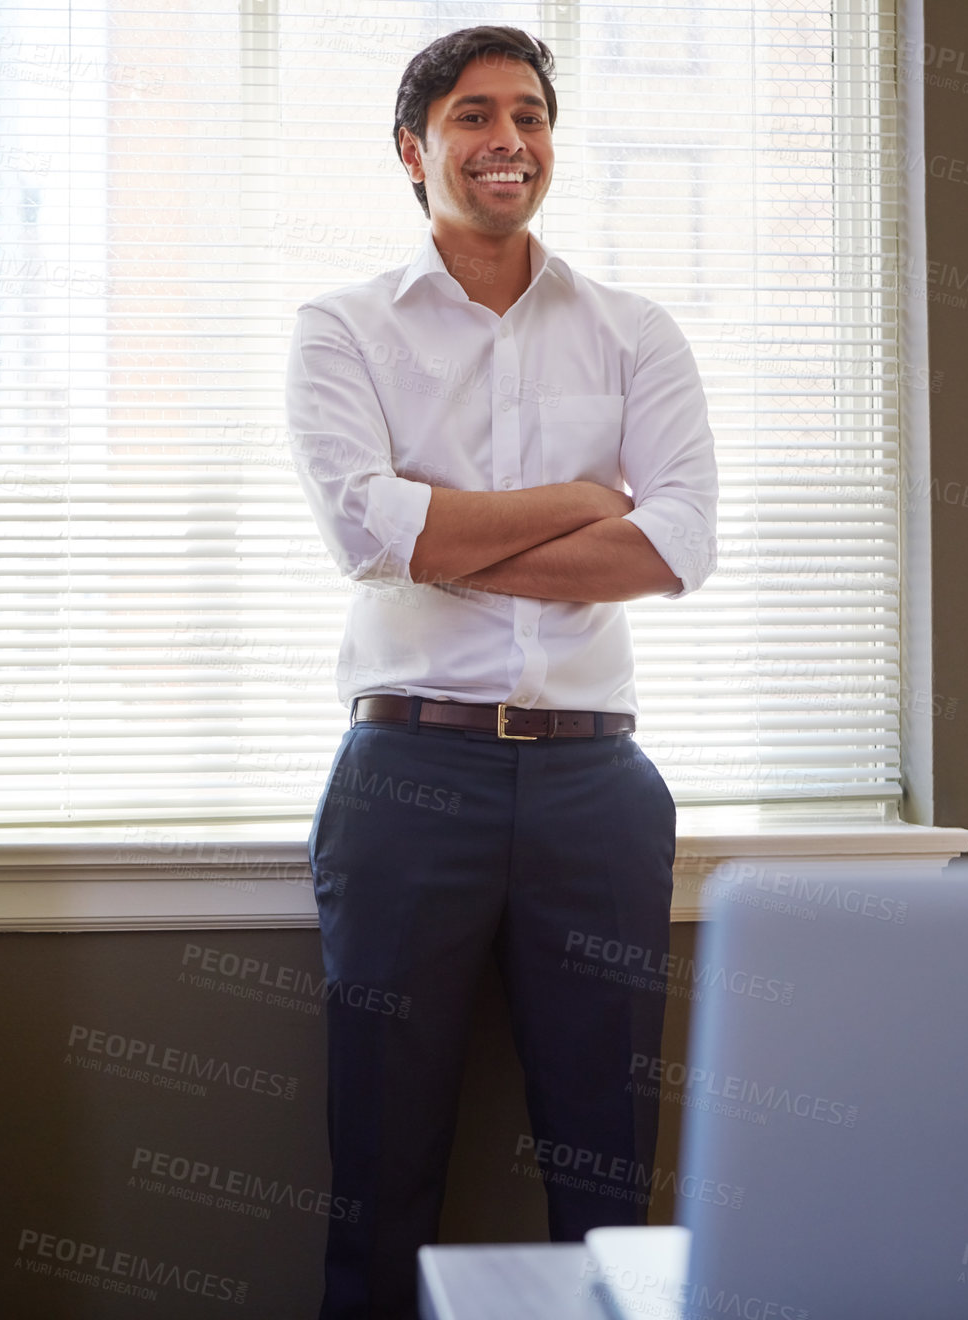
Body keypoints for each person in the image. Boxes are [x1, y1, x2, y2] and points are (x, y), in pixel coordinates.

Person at [284, 24, 718, 1320]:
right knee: (380, 1159)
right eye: (473, 116)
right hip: (408, 772)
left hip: (598, 784)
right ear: (414, 150)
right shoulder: (342, 328)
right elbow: (366, 532)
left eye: (529, 115)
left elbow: (678, 544)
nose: (507, 140)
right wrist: (583, 502)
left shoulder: (634, 332)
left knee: (604, 1163)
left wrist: (446, 528)